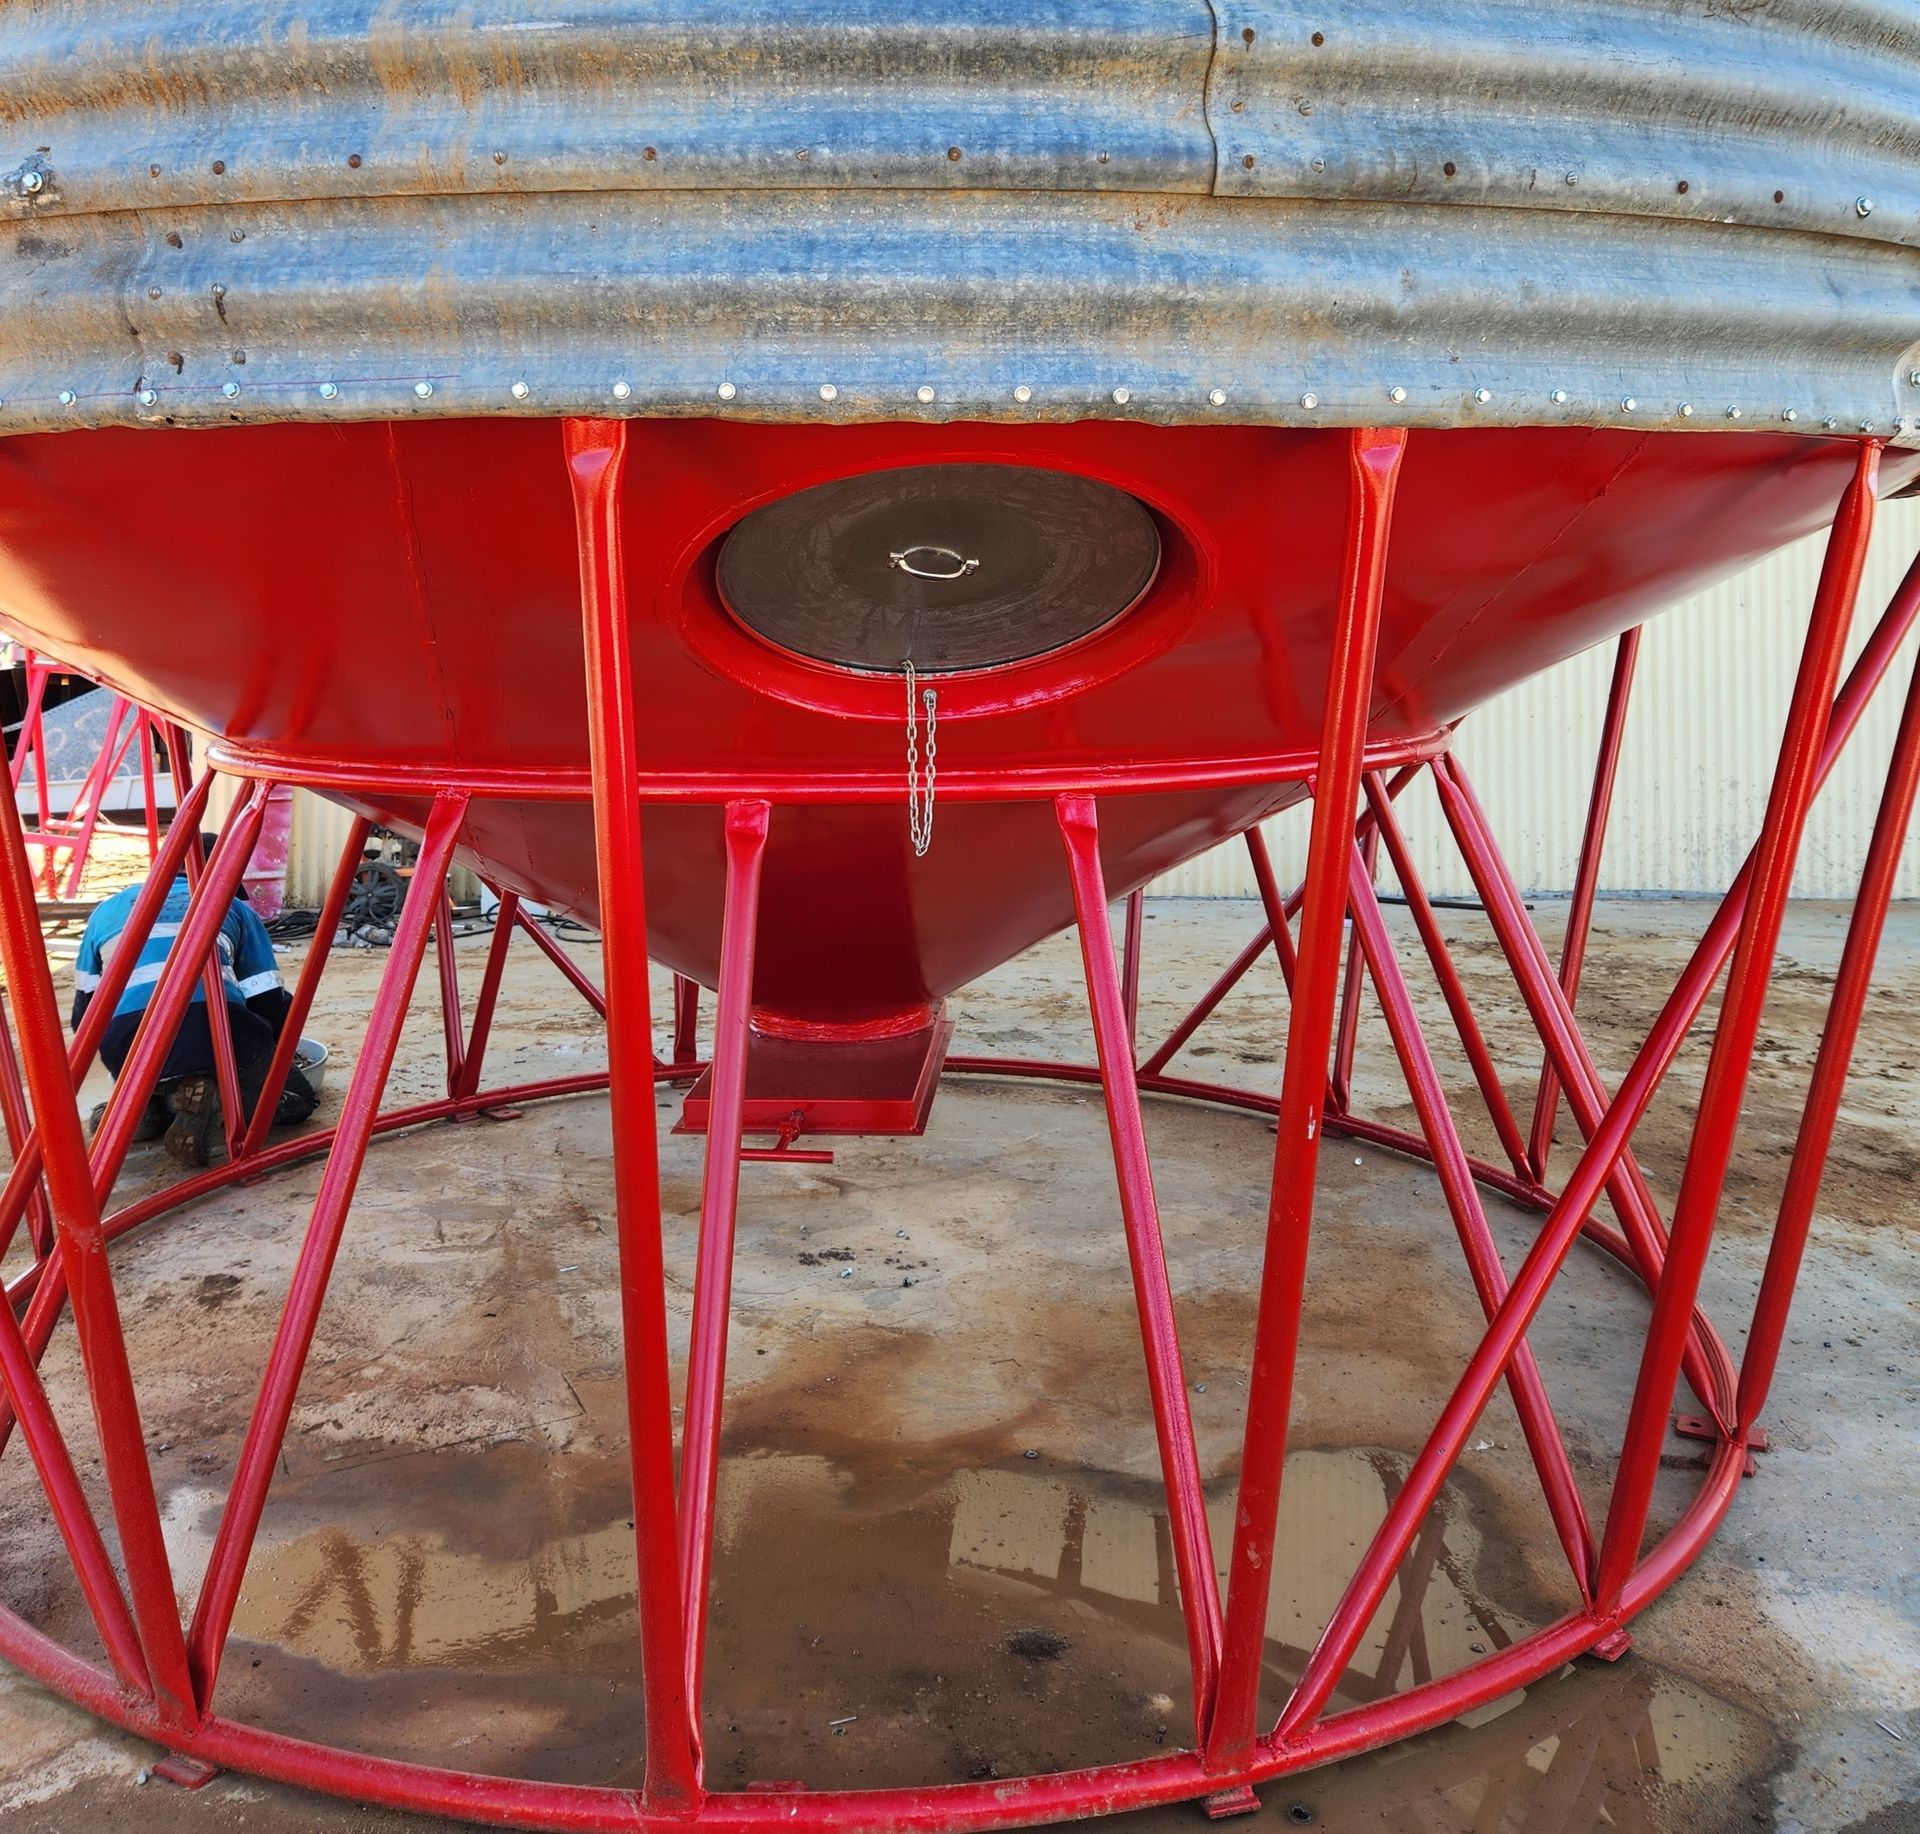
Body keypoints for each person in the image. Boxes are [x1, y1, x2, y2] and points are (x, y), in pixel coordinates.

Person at [71, 837, 319, 1166]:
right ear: (225, 874)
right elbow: (268, 1001)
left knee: (163, 1069)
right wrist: (274, 1053)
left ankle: (143, 1109)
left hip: (129, 1042)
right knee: (299, 1098)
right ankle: (216, 1101)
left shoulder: (106, 911)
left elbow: (83, 1016)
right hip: (215, 1027)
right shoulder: (233, 907)